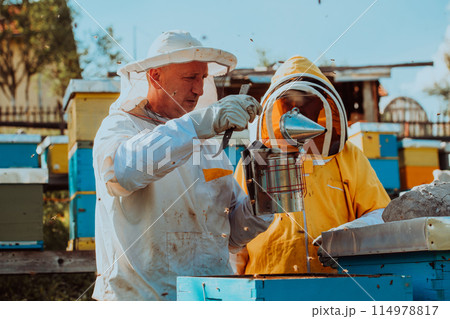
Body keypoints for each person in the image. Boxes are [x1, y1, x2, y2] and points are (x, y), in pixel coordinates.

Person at [92, 30, 272, 300]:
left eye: (202, 78)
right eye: (190, 78)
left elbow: (232, 234)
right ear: (155, 76)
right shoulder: (120, 127)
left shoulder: (208, 144)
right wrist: (202, 124)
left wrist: (265, 196)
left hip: (211, 299)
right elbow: (124, 173)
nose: (199, 89)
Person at [231, 56, 391, 275]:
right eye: (289, 101)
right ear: (277, 105)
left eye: (307, 100)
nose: (297, 109)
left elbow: (381, 213)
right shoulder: (254, 159)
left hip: (335, 286)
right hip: (266, 285)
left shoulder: (348, 155)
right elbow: (234, 234)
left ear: (322, 103)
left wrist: (346, 233)